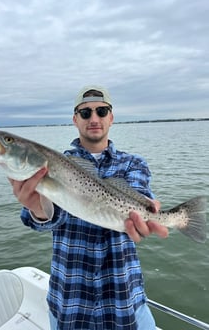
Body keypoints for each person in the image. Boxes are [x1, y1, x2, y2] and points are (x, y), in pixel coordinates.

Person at [9, 86, 168, 330]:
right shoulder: (54, 164)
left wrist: (148, 211)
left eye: (101, 111)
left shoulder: (133, 163)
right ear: (75, 120)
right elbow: (44, 218)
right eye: (85, 113)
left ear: (111, 117)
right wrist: (37, 209)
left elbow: (142, 195)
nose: (94, 119)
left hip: (124, 302)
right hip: (70, 303)